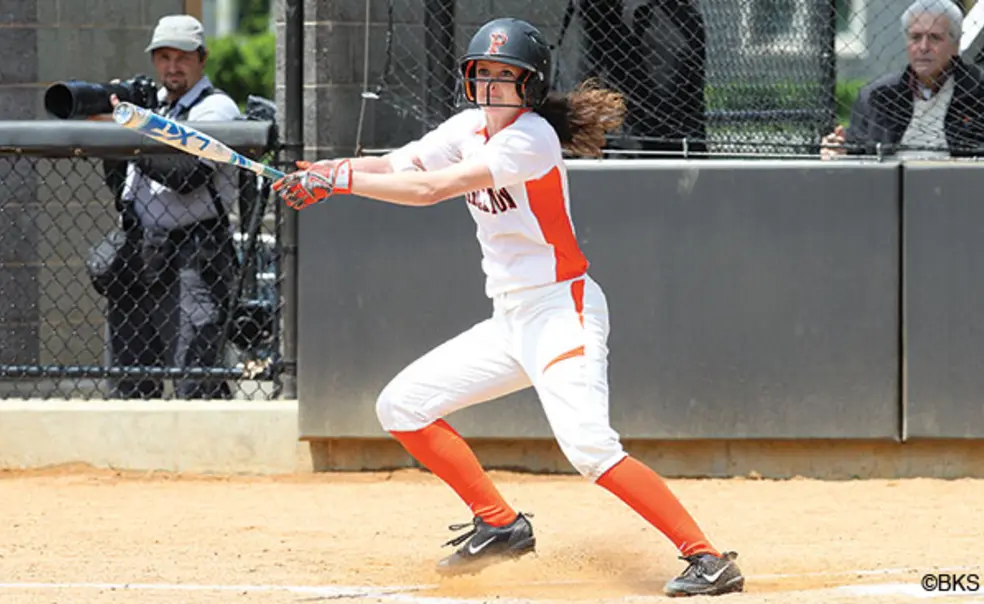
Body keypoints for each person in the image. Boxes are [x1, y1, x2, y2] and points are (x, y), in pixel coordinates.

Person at [274, 17, 744, 598]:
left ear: (531, 84)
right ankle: (499, 524)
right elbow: (400, 166)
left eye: (507, 75)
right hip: (510, 320)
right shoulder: (469, 127)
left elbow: (429, 191)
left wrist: (340, 180)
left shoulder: (531, 138)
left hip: (561, 312)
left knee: (590, 448)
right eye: (483, 73)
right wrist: (327, 171)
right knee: (402, 406)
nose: (493, 84)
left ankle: (708, 558)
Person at [101, 14, 242, 399]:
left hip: (195, 252)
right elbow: (120, 183)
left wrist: (131, 131)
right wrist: (111, 131)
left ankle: (210, 455)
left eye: (182, 56)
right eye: (163, 57)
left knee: (195, 376)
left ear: (202, 58)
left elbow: (188, 174)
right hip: (138, 249)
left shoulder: (216, 109)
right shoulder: (151, 106)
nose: (172, 66)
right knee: (128, 380)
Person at [821, 0, 984, 160]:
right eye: (915, 37)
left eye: (935, 38)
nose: (923, 47)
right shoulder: (877, 96)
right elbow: (857, 154)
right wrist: (839, 151)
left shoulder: (978, 90)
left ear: (955, 44)